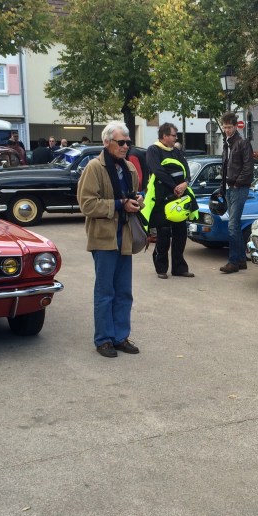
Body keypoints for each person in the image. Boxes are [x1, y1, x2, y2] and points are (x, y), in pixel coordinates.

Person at [76, 120, 143, 359]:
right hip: (104, 237)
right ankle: (104, 339)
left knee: (124, 291)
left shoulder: (129, 168)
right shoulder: (94, 167)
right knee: (105, 292)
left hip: (125, 235)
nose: (125, 146)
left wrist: (137, 200)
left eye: (127, 142)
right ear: (107, 142)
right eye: (121, 142)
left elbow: (131, 195)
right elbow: (87, 205)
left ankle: (120, 337)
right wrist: (120, 204)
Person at [143, 122, 196, 279]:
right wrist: (174, 186)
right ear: (164, 136)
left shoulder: (176, 151)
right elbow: (158, 170)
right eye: (173, 135)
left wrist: (185, 183)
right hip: (162, 199)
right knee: (164, 234)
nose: (175, 138)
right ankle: (161, 268)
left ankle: (179, 268)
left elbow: (186, 168)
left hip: (179, 198)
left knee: (180, 234)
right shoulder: (153, 150)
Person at [219, 111, 253, 274]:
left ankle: (233, 261)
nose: (227, 130)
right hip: (230, 187)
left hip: (238, 188)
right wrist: (223, 187)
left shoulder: (242, 143)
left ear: (235, 126)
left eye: (229, 127)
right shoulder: (227, 143)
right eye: (225, 127)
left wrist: (237, 184)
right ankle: (240, 260)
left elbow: (248, 167)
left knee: (232, 226)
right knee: (235, 226)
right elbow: (225, 167)